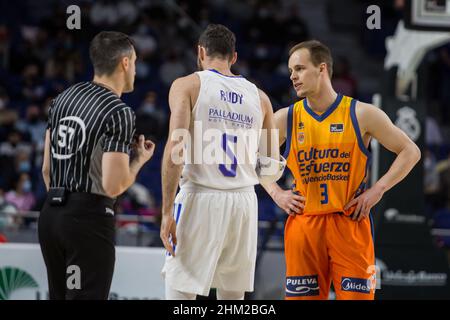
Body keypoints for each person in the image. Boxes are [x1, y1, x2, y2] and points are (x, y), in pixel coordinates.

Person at [263, 40, 421, 300]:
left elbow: (410, 151)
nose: (292, 76)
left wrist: (378, 190)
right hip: (305, 224)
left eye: (300, 69)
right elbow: (255, 158)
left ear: (321, 68)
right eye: (291, 70)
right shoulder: (285, 118)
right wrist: (276, 193)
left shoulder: (362, 114)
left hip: (349, 222)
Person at [160, 24, 283, 300]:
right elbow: (271, 166)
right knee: (232, 299)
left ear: (200, 52)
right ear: (234, 57)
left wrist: (167, 211)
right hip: (243, 202)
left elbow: (175, 151)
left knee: (181, 294)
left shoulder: (187, 85)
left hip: (200, 197)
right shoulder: (261, 98)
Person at [39, 31, 155, 300]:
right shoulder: (118, 111)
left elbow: (46, 169)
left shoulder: (63, 98)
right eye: (135, 62)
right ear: (125, 63)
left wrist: (65, 208)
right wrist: (138, 161)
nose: (135, 70)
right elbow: (113, 185)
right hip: (88, 218)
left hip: (50, 216)